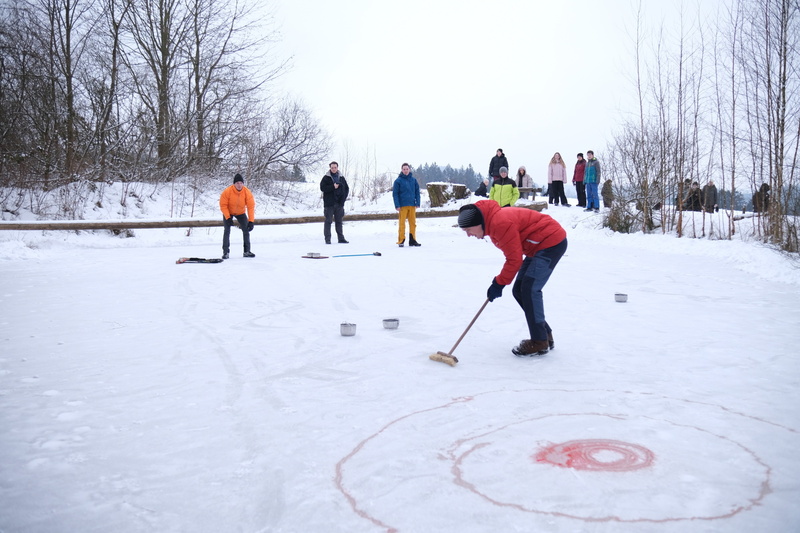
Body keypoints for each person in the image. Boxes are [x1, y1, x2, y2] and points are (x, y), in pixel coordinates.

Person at [457, 200, 567, 356]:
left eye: (468, 229)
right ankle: (544, 334)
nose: (468, 234)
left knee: (529, 289)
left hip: (550, 242)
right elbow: (514, 255)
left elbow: (514, 260)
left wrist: (499, 283)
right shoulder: (492, 224)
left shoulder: (499, 223)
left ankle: (539, 341)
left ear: (479, 223)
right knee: (519, 290)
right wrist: (499, 283)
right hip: (536, 246)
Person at [219, 173, 256, 259]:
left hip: (241, 212)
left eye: (241, 183)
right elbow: (223, 205)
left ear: (243, 184)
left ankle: (247, 251)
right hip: (228, 212)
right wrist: (228, 217)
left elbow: (251, 207)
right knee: (227, 230)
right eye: (237, 183)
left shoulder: (247, 192)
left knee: (246, 230)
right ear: (234, 184)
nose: (239, 185)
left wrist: (251, 221)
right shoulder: (227, 191)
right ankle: (225, 252)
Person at [320, 161, 349, 244]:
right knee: (328, 221)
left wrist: (343, 200)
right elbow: (322, 188)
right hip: (329, 204)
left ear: (337, 168)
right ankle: (328, 239)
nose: (334, 169)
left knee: (339, 221)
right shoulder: (326, 178)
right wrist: (333, 187)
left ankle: (341, 238)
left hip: (339, 203)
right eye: (332, 168)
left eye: (335, 167)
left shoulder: (341, 178)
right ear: (330, 168)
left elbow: (346, 189)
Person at [393, 163, 421, 247]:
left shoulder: (413, 180)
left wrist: (418, 202)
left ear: (409, 169)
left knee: (413, 223)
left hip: (412, 205)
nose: (405, 171)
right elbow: (395, 194)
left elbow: (417, 192)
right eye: (404, 169)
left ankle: (412, 240)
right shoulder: (398, 181)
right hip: (402, 205)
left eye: (407, 169)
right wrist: (397, 205)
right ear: (402, 170)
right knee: (402, 224)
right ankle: (401, 240)